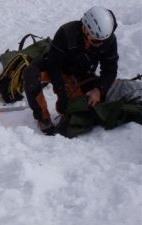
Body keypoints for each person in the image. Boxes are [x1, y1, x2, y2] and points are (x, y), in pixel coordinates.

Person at [22, 6, 119, 135]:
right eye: (96, 41)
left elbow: (110, 70)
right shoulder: (67, 32)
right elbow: (54, 65)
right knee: (30, 74)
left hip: (82, 74)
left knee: (97, 101)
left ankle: (73, 107)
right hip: (57, 67)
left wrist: (99, 90)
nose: (100, 44)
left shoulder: (108, 40)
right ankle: (43, 117)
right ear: (86, 28)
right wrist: (61, 92)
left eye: (103, 41)